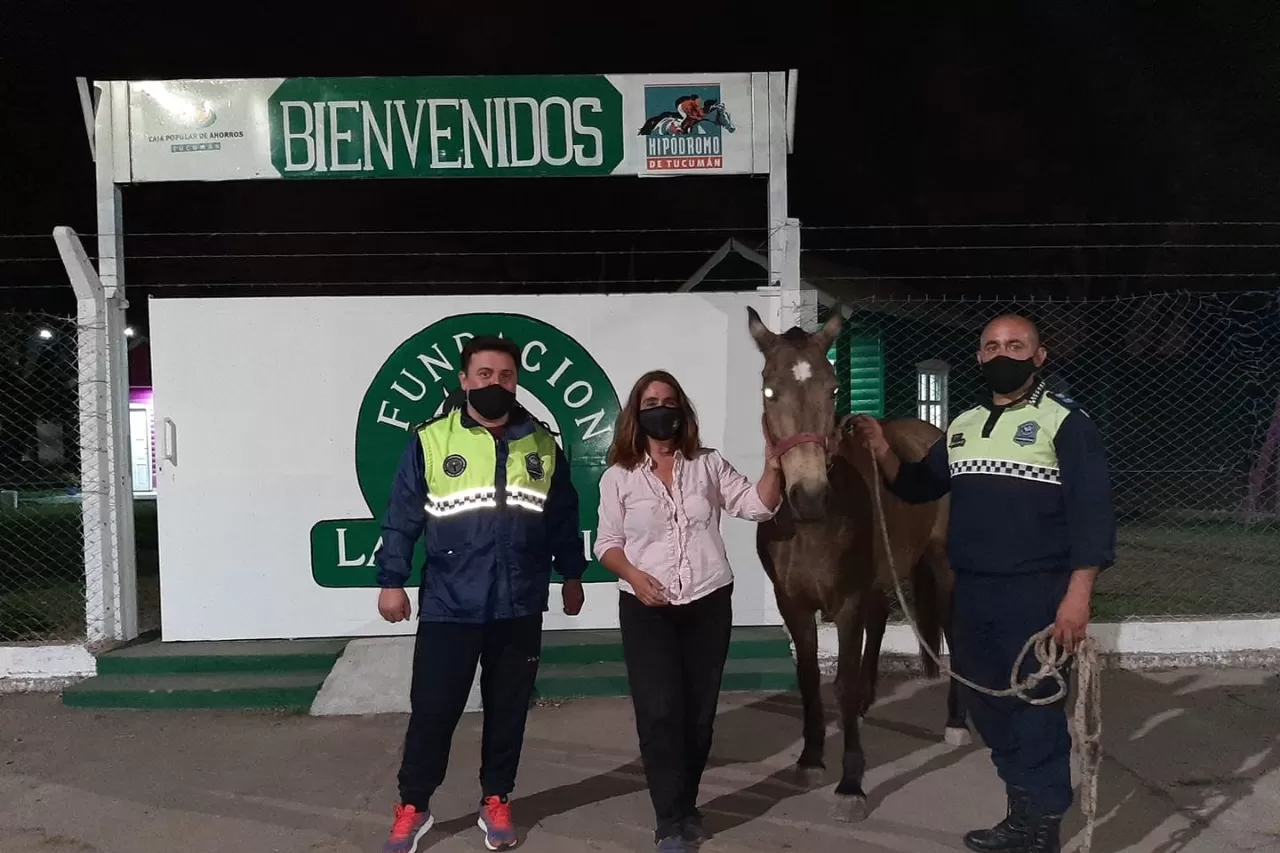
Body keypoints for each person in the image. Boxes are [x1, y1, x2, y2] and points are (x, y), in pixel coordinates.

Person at [851, 314, 1115, 853]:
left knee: (1034, 706)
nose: (1002, 354)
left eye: (1015, 345)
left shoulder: (1066, 423)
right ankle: (1021, 811)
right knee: (986, 705)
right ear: (978, 358)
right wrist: (882, 451)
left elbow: (1093, 515)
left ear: (1039, 357)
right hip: (972, 591)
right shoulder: (964, 425)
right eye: (991, 346)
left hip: (1036, 591)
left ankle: (1042, 828)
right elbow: (919, 485)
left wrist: (1079, 593)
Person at [374, 334, 587, 853]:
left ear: (517, 382)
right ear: (465, 380)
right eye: (485, 375)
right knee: (433, 711)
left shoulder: (541, 443)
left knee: (508, 711)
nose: (496, 383)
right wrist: (391, 581)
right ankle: (414, 805)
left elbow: (563, 517)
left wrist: (572, 575)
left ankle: (496, 799)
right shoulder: (431, 440)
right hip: (450, 604)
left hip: (519, 603)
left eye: (506, 376)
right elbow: (401, 518)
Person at [593, 369, 782, 853]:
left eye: (669, 401)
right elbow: (607, 544)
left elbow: (756, 507)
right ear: (636, 414)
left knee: (698, 714)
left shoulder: (708, 464)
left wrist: (773, 466)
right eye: (651, 403)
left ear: (682, 410)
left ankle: (687, 806)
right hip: (646, 608)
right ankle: (668, 820)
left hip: (708, 602)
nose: (662, 410)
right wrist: (634, 576)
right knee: (659, 711)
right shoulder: (618, 476)